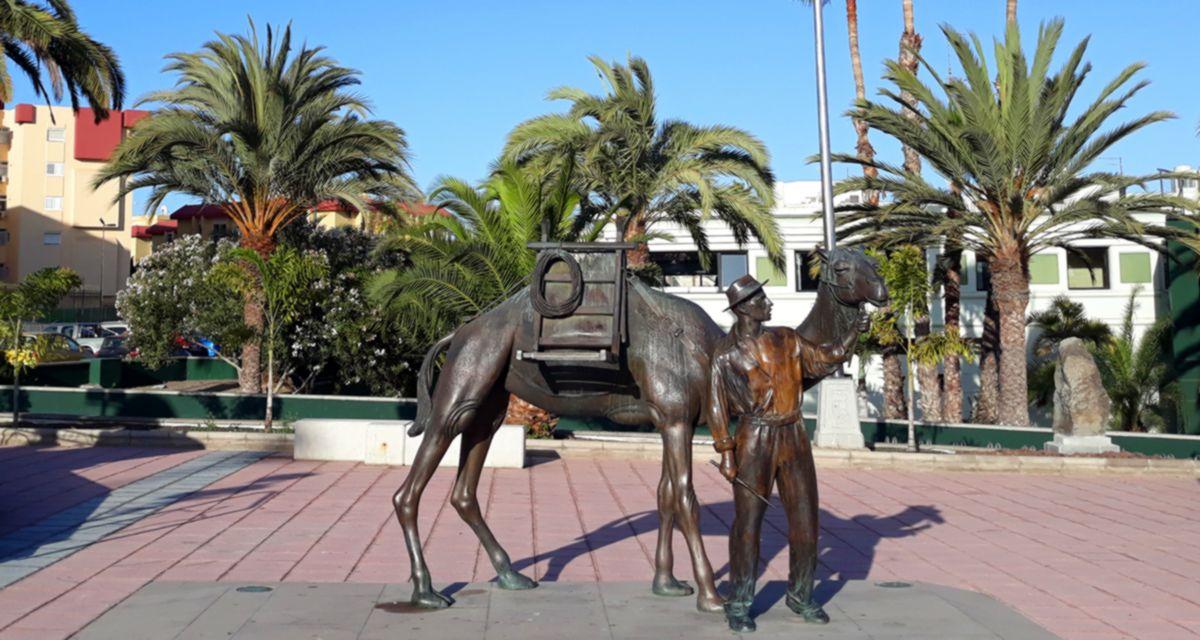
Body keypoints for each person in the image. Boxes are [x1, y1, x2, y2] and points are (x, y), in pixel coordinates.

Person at [708, 274, 848, 632]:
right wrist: (725, 451)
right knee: (747, 525)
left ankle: (800, 596)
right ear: (743, 309)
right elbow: (716, 407)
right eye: (761, 299)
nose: (769, 303)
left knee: (805, 521)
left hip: (794, 434)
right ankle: (738, 602)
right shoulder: (725, 355)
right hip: (753, 439)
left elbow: (822, 360)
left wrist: (854, 333)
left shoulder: (787, 338)